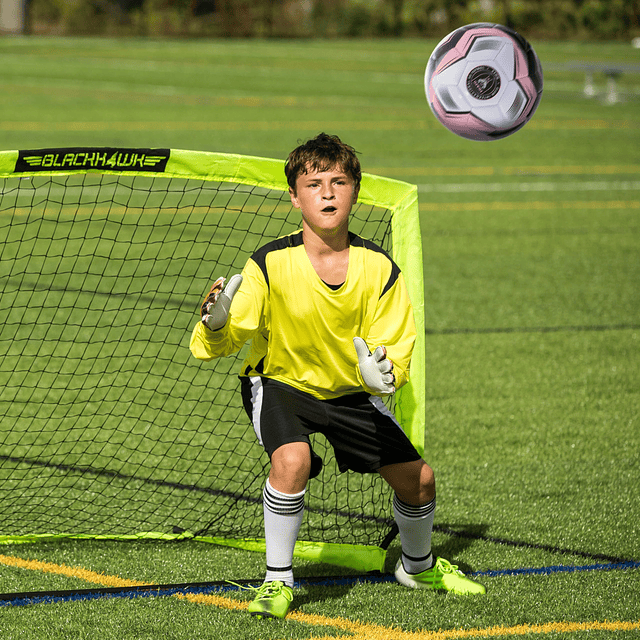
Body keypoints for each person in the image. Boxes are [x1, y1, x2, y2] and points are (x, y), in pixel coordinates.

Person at [189, 133, 485, 619]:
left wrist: (380, 374)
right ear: (294, 197)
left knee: (421, 482)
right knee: (292, 460)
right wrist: (216, 323)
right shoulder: (268, 263)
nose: (327, 193)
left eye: (339, 182)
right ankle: (277, 581)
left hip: (348, 392)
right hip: (281, 383)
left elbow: (393, 353)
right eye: (313, 184)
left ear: (356, 191)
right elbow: (224, 338)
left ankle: (417, 564)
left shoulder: (381, 269)